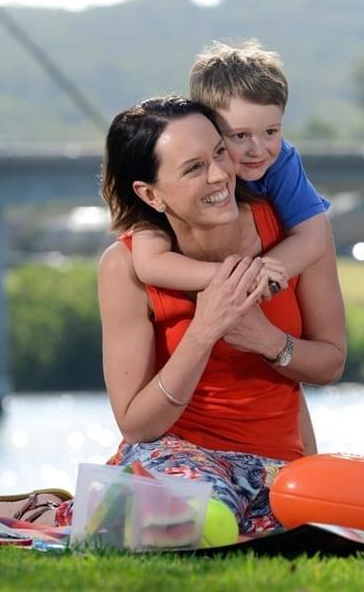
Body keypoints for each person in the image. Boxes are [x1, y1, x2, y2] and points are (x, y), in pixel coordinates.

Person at [73, 94, 364, 535]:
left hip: (280, 471)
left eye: (219, 153)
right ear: (150, 194)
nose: (219, 175)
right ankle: (207, 518)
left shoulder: (296, 234)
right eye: (193, 168)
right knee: (198, 509)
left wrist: (267, 340)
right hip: (181, 458)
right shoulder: (125, 267)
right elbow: (138, 424)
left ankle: (204, 520)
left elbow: (330, 362)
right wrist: (205, 330)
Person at [129, 40, 330, 453]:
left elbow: (315, 236)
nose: (258, 150)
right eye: (238, 137)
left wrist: (269, 272)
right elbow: (148, 264)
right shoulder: (160, 205)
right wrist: (235, 281)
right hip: (187, 452)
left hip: (274, 453)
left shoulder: (282, 166)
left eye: (271, 131)